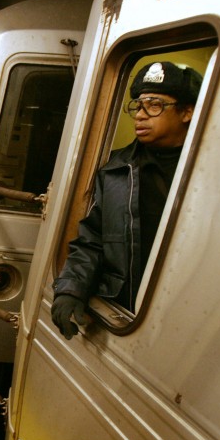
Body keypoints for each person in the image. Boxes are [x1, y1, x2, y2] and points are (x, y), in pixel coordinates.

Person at [51, 61, 202, 339]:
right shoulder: (116, 170)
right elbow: (92, 239)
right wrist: (71, 289)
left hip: (187, 315)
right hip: (128, 312)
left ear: (187, 112)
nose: (140, 115)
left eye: (154, 105)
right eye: (138, 105)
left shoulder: (208, 169)